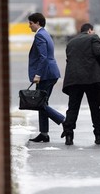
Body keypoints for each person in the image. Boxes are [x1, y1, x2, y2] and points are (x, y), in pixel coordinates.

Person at [61, 23, 100, 145]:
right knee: (94, 108)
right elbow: (99, 53)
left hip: (74, 79)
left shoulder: (71, 42)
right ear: (89, 30)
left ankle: (69, 136)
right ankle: (98, 136)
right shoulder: (93, 37)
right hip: (91, 79)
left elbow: (69, 58)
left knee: (72, 108)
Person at [27, 12, 65, 143]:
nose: (29, 26)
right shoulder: (45, 33)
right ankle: (44, 134)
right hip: (50, 73)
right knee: (42, 103)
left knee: (40, 103)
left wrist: (38, 75)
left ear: (37, 23)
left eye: (30, 23)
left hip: (45, 75)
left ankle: (63, 120)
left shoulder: (40, 36)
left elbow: (43, 57)